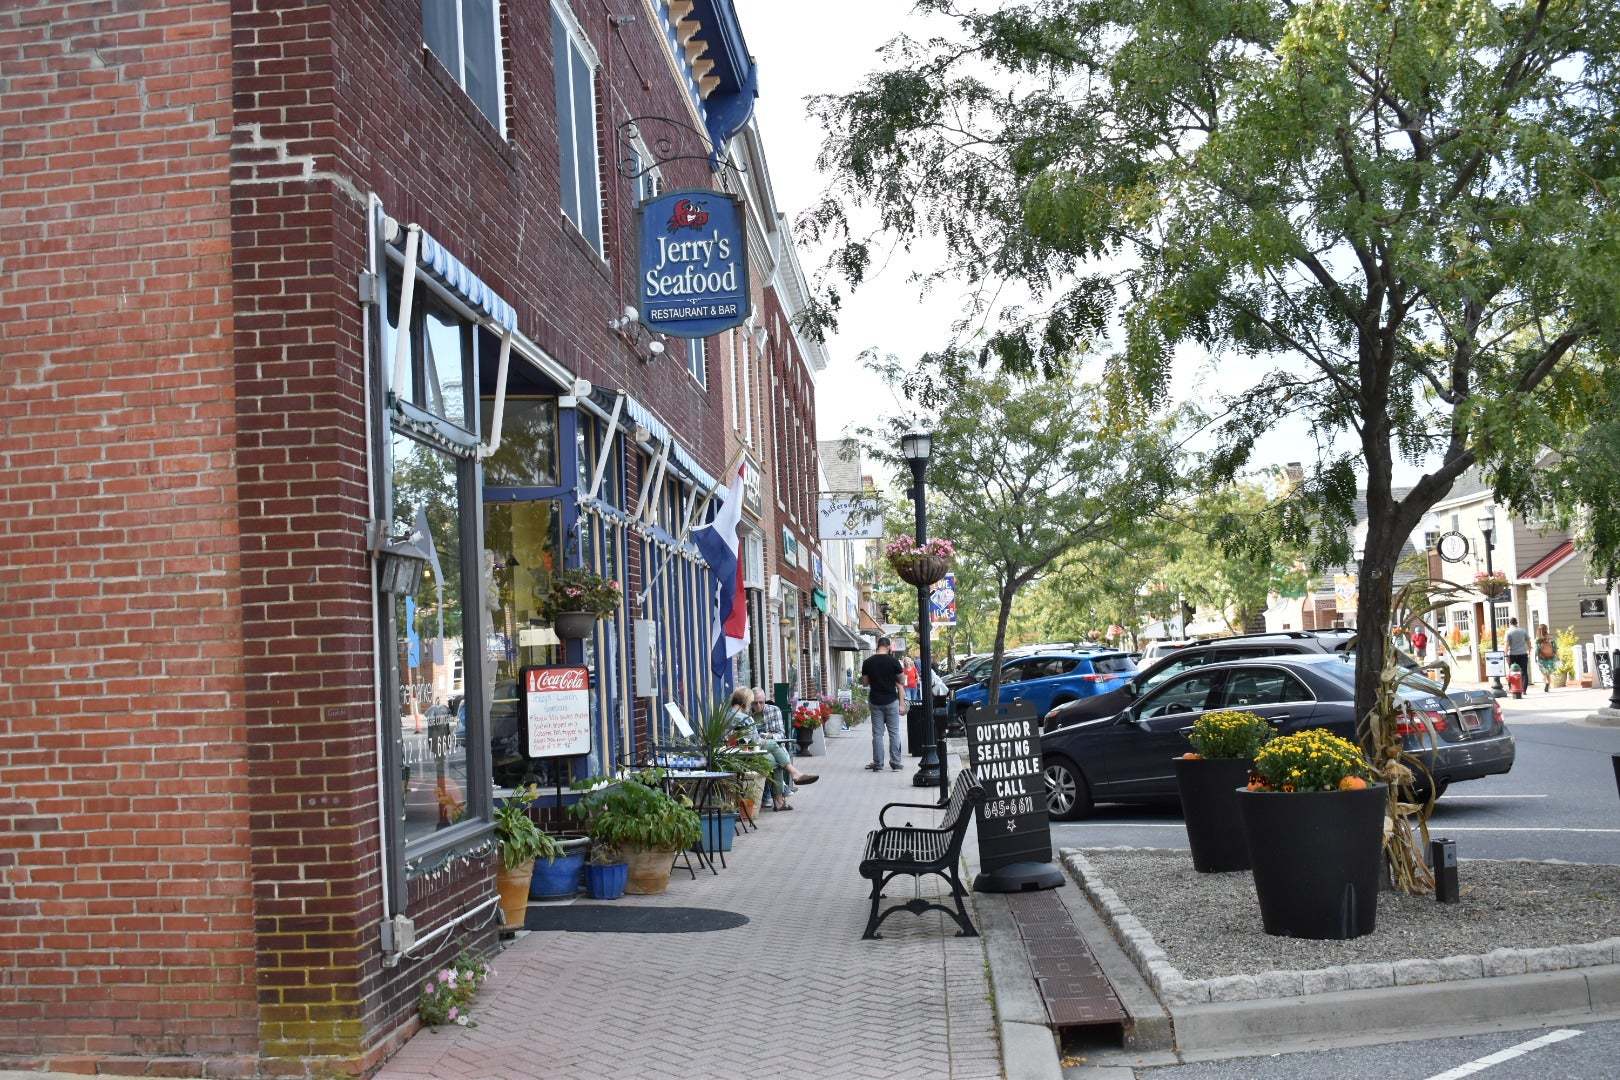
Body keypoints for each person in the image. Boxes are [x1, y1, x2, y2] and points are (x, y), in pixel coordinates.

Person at [726, 687, 818, 811]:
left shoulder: (725, 716)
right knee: (776, 753)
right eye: (753, 702)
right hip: (745, 757)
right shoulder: (745, 718)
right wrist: (766, 739)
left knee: (775, 757)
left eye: (760, 702)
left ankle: (783, 792)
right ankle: (787, 786)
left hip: (734, 755)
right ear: (747, 702)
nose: (756, 705)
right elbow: (755, 742)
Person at [860, 636, 905, 772]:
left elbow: (865, 682)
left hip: (875, 701)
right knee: (894, 733)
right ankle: (896, 763)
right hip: (891, 700)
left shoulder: (867, 662)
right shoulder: (894, 661)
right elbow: (902, 681)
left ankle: (878, 764)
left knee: (878, 734)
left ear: (878, 646)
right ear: (888, 646)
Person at [1504, 617, 1531, 690]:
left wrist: (1505, 654)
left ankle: (1512, 688)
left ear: (1510, 623)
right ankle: (1524, 689)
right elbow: (1528, 641)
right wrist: (1529, 650)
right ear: (1516, 623)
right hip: (1523, 653)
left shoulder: (1508, 632)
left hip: (1512, 654)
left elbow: (1506, 644)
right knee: (1524, 671)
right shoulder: (1523, 631)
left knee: (1512, 670)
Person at [1535, 624, 1558, 693]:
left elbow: (1537, 649)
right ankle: (1548, 683)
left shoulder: (1538, 639)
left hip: (1542, 657)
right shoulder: (1550, 638)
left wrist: (1535, 656)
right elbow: (1555, 647)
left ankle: (1546, 683)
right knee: (1548, 673)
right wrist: (1555, 653)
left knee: (1544, 672)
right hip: (1550, 657)